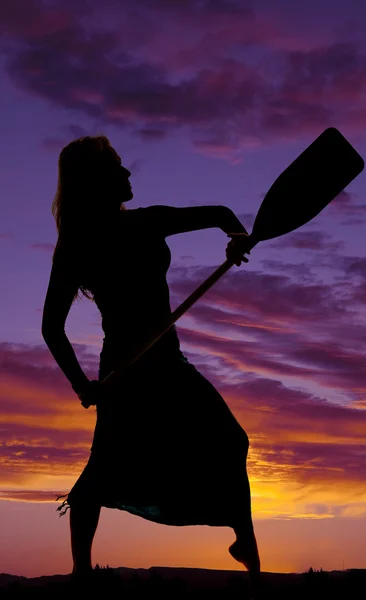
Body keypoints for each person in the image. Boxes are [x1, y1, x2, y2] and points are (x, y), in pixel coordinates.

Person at [41, 135, 260, 587]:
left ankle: (244, 541)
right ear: (97, 181)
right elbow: (51, 327)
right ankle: (82, 576)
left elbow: (220, 214)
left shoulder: (147, 222)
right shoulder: (77, 246)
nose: (127, 174)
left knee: (231, 440)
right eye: (118, 168)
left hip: (168, 362)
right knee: (100, 477)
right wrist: (83, 386)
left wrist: (237, 237)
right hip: (124, 372)